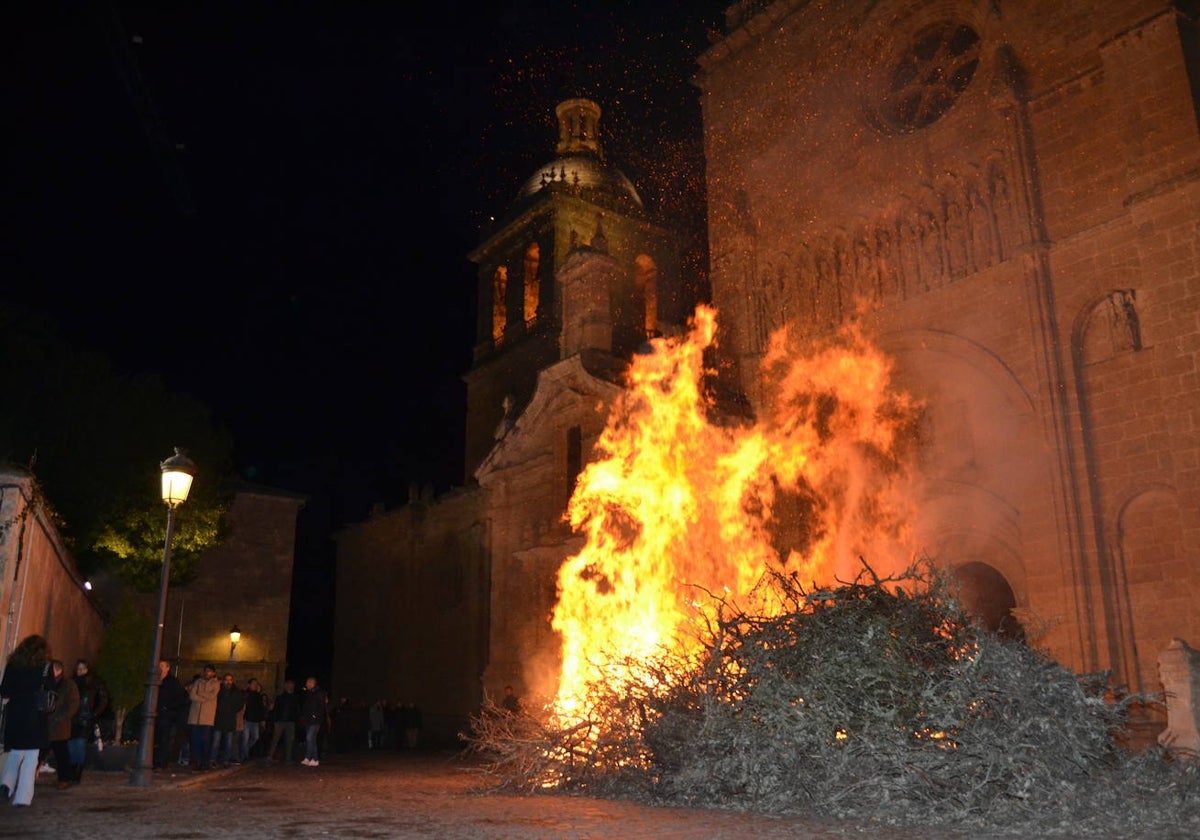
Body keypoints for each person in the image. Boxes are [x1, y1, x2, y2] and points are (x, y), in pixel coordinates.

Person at [0, 634, 52, 806]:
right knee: (31, 757)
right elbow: (50, 689)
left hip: (16, 713)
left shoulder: (14, 664)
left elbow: (4, 690)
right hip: (35, 714)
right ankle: (22, 797)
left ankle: (6, 784)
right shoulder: (45, 667)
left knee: (15, 751)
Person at [68, 659, 109, 785]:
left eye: (83, 668)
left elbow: (103, 699)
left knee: (79, 745)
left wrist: (94, 713)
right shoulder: (72, 682)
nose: (80, 671)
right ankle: (71, 770)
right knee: (71, 745)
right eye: (78, 668)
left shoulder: (94, 683)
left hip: (85, 718)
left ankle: (77, 772)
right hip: (72, 718)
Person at [47, 659, 80, 791]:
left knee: (61, 753)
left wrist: (62, 717)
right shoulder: (47, 682)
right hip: (46, 723)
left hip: (60, 724)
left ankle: (64, 779)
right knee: (38, 752)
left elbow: (73, 703)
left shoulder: (68, 684)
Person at [153, 659, 189, 770]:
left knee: (164, 739)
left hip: (167, 716)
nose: (160, 668)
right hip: (155, 714)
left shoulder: (173, 682)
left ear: (168, 668)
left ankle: (161, 762)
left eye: (162, 666)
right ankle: (153, 760)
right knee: (155, 738)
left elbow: (182, 698)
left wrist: (168, 707)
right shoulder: (155, 680)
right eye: (159, 666)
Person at [186, 665, 220, 771]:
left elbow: (212, 696)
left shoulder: (216, 683)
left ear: (213, 673)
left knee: (206, 741)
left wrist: (199, 694)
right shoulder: (198, 682)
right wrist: (203, 697)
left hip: (207, 718)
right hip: (195, 717)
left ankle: (205, 762)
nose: (207, 673)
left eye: (209, 672)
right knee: (195, 741)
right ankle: (196, 762)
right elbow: (192, 695)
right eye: (206, 671)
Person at [211, 672, 245, 765]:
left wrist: (232, 710)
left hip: (230, 720)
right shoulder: (218, 690)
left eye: (230, 680)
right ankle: (213, 759)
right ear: (223, 681)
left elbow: (240, 704)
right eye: (226, 680)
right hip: (219, 719)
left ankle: (226, 760)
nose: (228, 682)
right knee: (216, 741)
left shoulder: (236, 692)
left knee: (228, 742)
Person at [267, 679, 299, 763]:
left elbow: (297, 710)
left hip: (290, 722)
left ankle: (288, 758)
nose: (290, 687)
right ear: (285, 686)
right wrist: (275, 721)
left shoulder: (296, 698)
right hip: (280, 721)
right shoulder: (280, 697)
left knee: (289, 740)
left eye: (291, 685)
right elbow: (275, 710)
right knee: (275, 739)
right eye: (288, 685)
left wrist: (296, 720)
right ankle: (270, 756)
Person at [299, 676, 328, 767]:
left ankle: (310, 757)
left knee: (309, 738)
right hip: (308, 720)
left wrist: (316, 715)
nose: (306, 684)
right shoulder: (309, 693)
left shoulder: (320, 693)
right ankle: (313, 759)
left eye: (308, 683)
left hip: (315, 720)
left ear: (312, 683)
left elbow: (322, 707)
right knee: (312, 740)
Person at [241, 678, 267, 760]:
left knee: (255, 737)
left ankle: (244, 751)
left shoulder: (258, 696)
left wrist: (262, 719)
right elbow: (243, 707)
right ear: (249, 685)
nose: (255, 685)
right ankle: (244, 756)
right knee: (245, 738)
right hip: (246, 720)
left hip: (255, 721)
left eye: (256, 684)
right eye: (253, 684)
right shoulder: (245, 694)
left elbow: (260, 708)